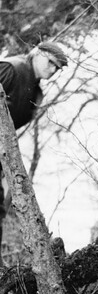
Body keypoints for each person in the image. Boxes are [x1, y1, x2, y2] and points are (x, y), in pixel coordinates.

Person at [0, 40, 68, 252]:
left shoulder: (36, 94)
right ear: (37, 53)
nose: (53, 70)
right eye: (50, 63)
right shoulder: (11, 68)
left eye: (57, 68)